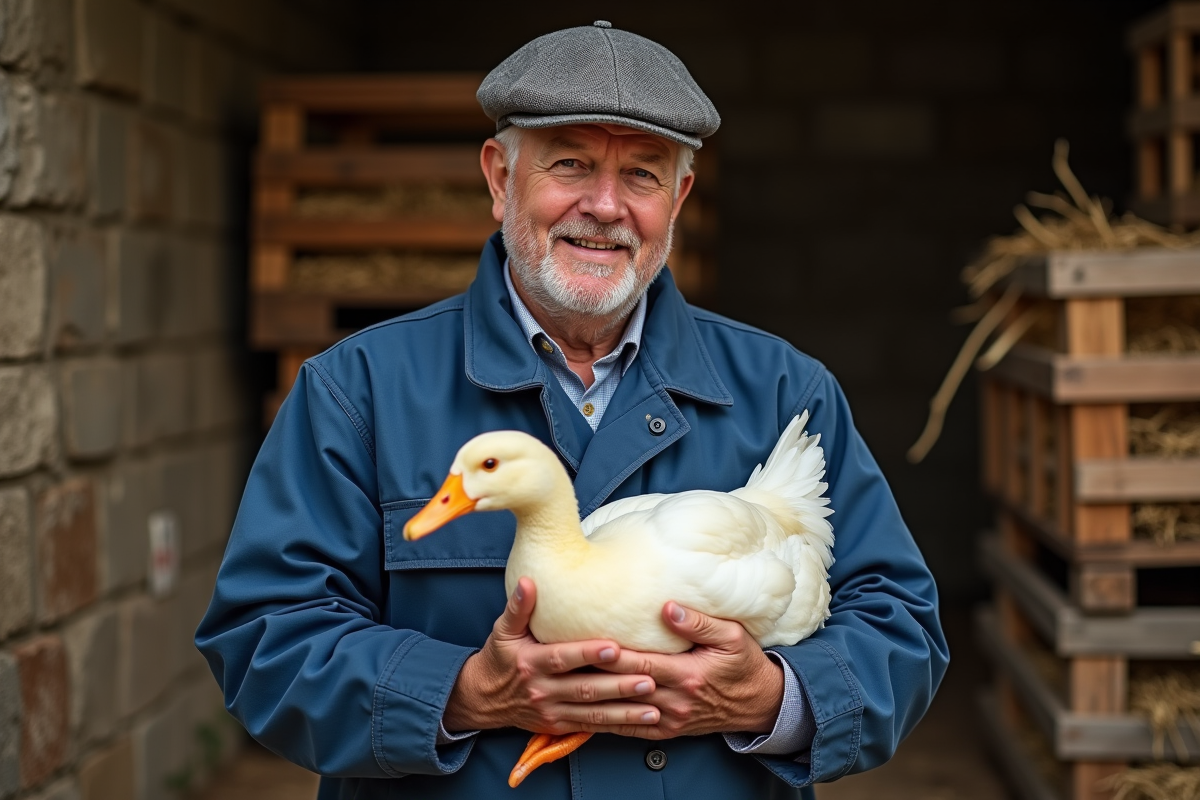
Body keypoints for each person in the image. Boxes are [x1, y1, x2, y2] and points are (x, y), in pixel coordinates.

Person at [196, 21, 948, 800]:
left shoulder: (787, 392)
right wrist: (460, 691)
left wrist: (773, 697)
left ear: (680, 196)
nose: (605, 206)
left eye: (644, 175)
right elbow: (263, 641)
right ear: (498, 178)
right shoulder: (358, 391)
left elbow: (902, 628)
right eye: (571, 164)